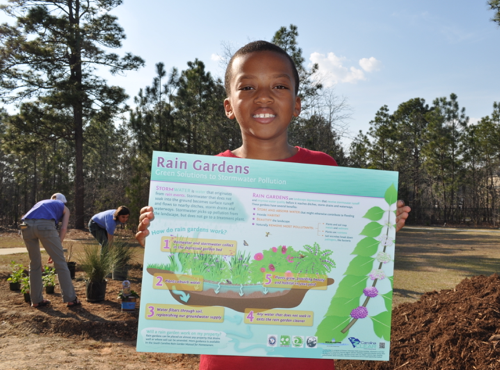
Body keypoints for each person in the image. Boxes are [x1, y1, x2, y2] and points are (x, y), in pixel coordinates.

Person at [135, 41, 411, 370]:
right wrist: (157, 242)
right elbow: (185, 265)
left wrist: (381, 232)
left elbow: (343, 253)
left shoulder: (325, 168)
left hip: (306, 359)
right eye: (248, 86)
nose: (263, 96)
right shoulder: (203, 176)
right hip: (225, 360)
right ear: (228, 105)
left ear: (296, 104)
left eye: (279, 86)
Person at [20, 193, 81, 308]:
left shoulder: (41, 203)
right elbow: (63, 228)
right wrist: (57, 247)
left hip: (25, 226)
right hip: (45, 225)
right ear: (64, 202)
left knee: (34, 264)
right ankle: (70, 299)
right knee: (60, 263)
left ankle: (36, 300)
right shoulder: (64, 207)